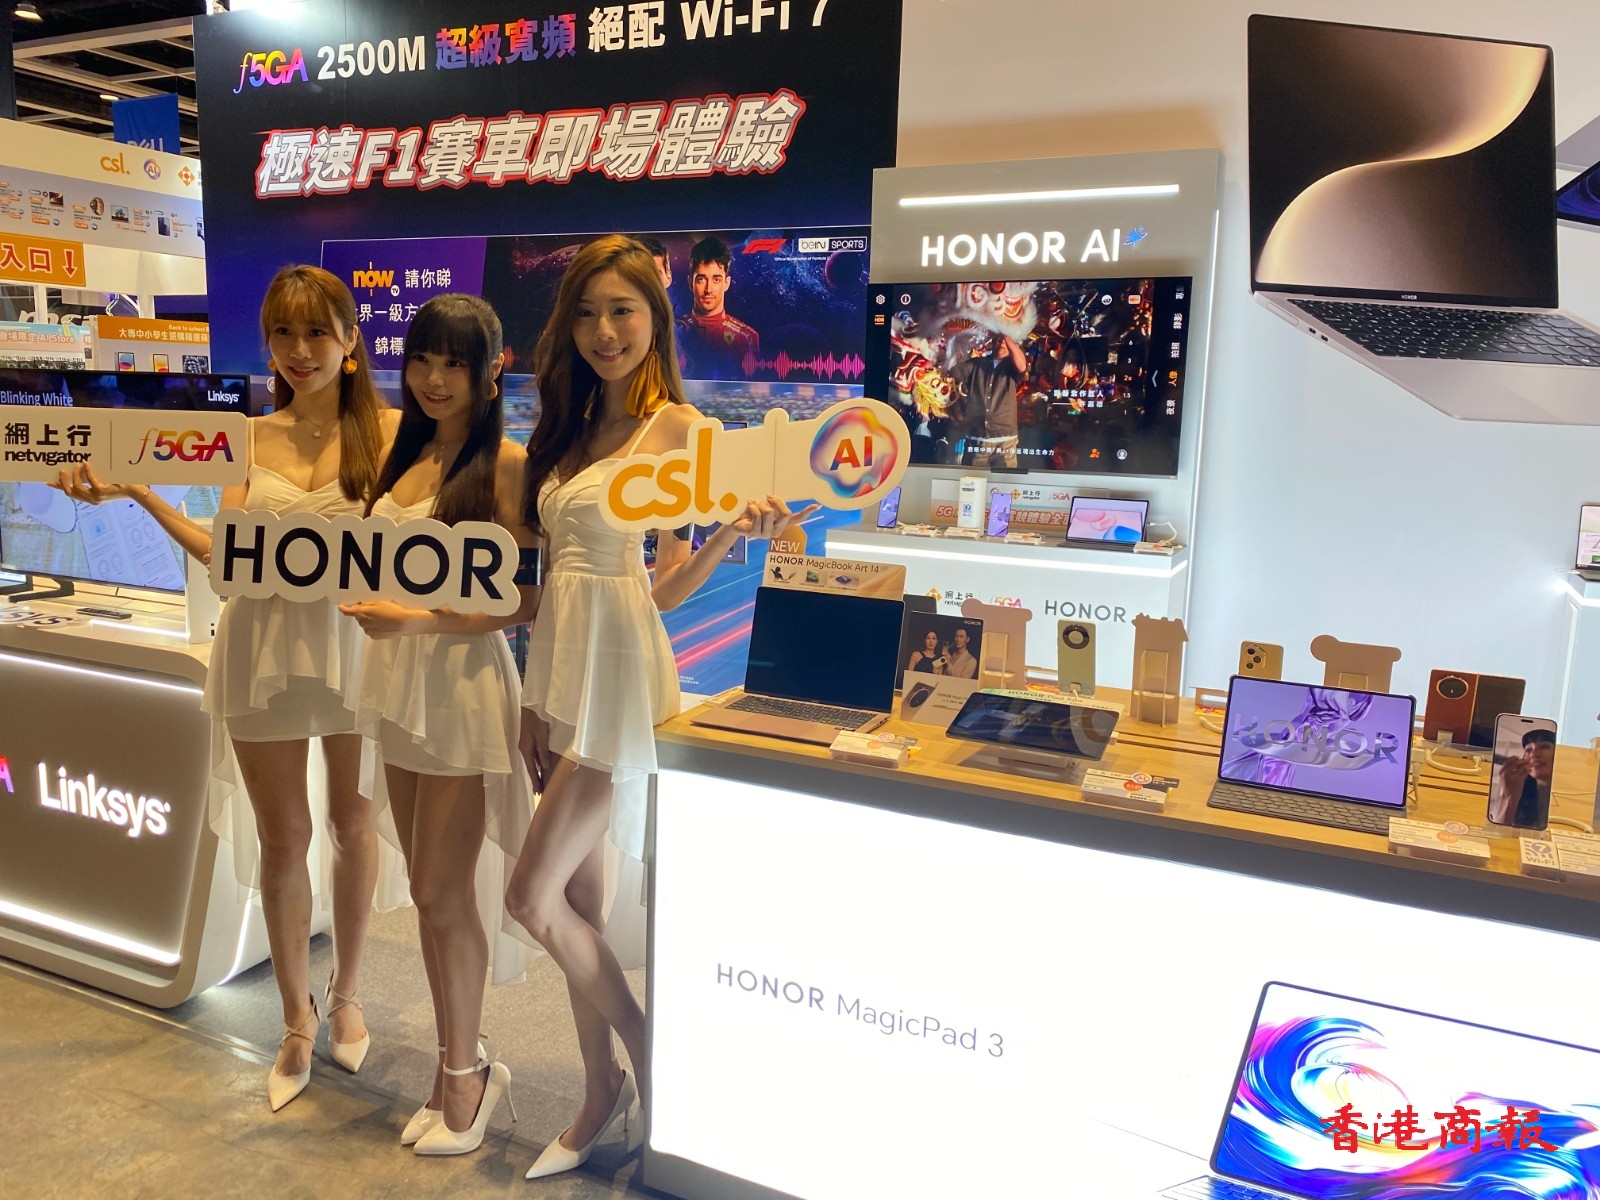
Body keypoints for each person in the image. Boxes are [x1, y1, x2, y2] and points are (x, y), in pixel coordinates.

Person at [55, 265, 400, 1111]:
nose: (298, 350)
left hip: (356, 644)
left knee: (353, 824)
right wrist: (138, 493)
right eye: (282, 332)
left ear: (351, 340)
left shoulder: (393, 433)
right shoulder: (244, 437)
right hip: (261, 645)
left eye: (316, 331)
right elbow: (224, 553)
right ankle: (294, 1018)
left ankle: (348, 994)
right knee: (285, 839)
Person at [510, 234, 814, 1180]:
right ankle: (598, 1091)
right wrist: (533, 704)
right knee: (579, 903)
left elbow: (668, 587)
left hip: (620, 677)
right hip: (562, 673)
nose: (604, 331)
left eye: (623, 311)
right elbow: (554, 569)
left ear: (656, 319)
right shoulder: (568, 426)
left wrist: (731, 532)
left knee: (529, 897)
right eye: (588, 313)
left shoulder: (678, 429)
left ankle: (649, 1057)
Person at [339, 295, 541, 1155]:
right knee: (429, 889)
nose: (433, 377)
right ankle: (458, 1060)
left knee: (439, 891)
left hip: (458, 683)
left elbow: (527, 599)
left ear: (491, 373)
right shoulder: (403, 456)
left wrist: (415, 621)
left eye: (455, 362)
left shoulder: (509, 465)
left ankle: (468, 1073)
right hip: (396, 681)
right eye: (423, 358)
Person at [675, 235, 760, 378]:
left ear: (726, 283)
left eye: (716, 280)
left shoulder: (746, 337)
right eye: (701, 279)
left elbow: (754, 387)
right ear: (690, 283)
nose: (708, 289)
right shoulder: (674, 331)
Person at [951, 334, 1024, 468]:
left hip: (1005, 441)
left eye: (1004, 340)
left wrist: (1007, 335)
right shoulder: (976, 364)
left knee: (1005, 480)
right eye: (998, 339)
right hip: (976, 438)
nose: (1001, 342)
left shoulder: (1012, 366)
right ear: (992, 342)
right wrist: (952, 346)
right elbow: (955, 372)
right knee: (972, 479)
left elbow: (1022, 365)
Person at [1491, 727, 1555, 827]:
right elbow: (1497, 831)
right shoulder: (1518, 788)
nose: (1534, 755)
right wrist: (1509, 796)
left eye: (1544, 747)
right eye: (1529, 750)